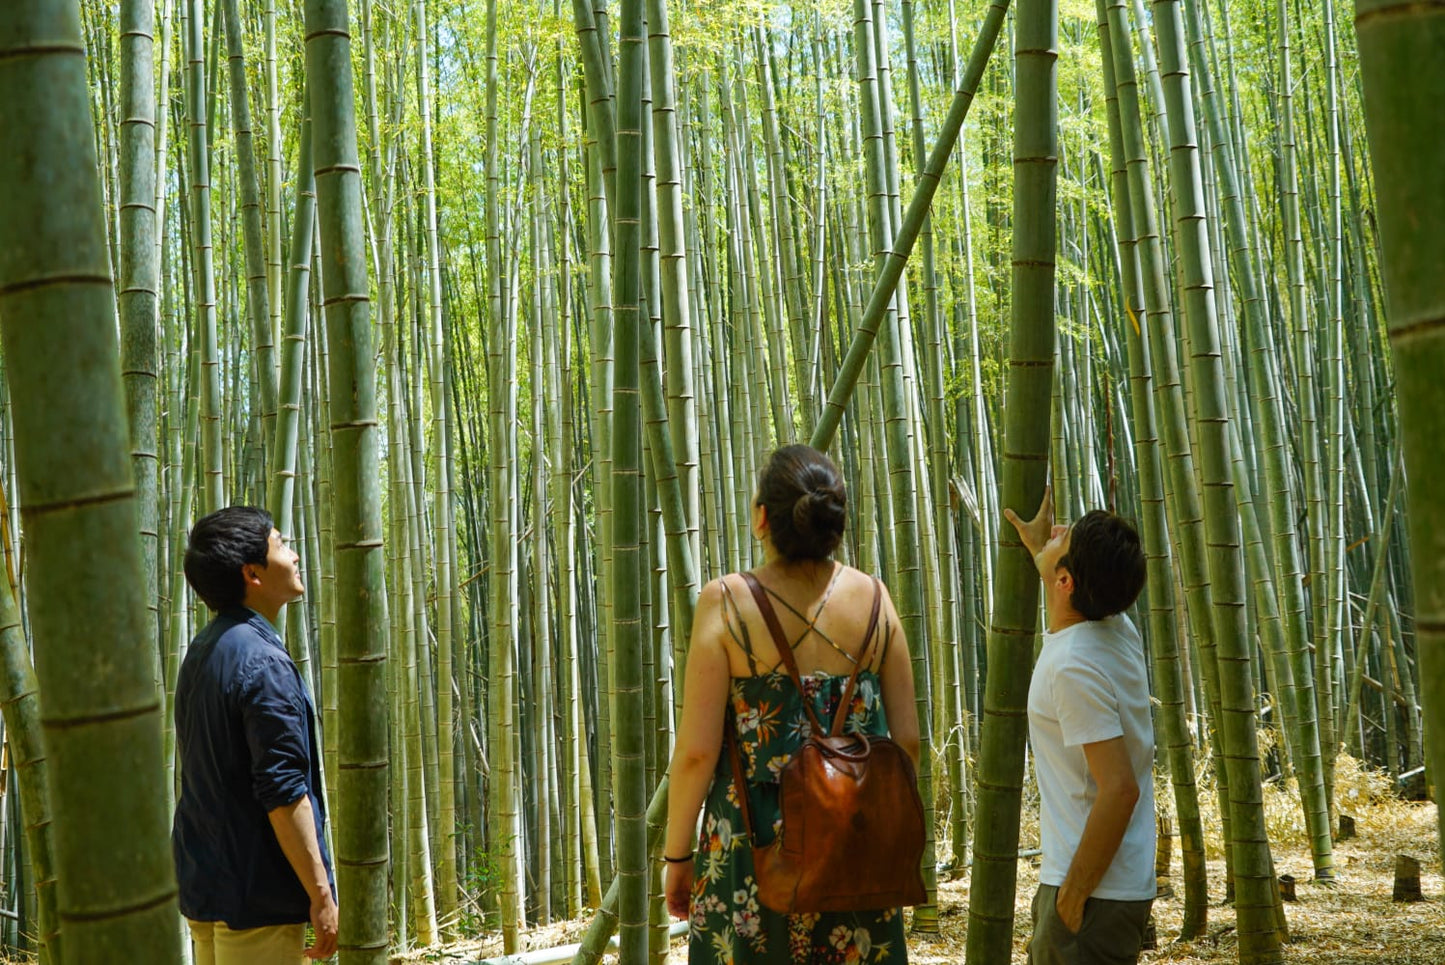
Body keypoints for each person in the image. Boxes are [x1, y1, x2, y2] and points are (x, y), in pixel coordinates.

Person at [663, 445, 921, 964]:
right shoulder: (876, 598)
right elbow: (908, 741)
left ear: (763, 518)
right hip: (853, 849)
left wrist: (678, 856)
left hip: (753, 853)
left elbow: (695, 754)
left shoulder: (727, 602)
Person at [173, 507, 338, 964]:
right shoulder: (263, 664)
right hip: (256, 897)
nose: (295, 555)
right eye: (281, 545)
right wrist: (320, 892)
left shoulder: (204, 650)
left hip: (206, 883)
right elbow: (284, 794)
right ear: (253, 573)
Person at [1005, 487, 1156, 965]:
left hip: (1092, 893)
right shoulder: (1116, 627)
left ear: (1066, 581)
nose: (1056, 531)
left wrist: (1070, 897)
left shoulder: (1073, 667)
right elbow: (1086, 591)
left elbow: (1118, 788)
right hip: (1115, 883)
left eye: (1062, 539)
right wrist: (1042, 552)